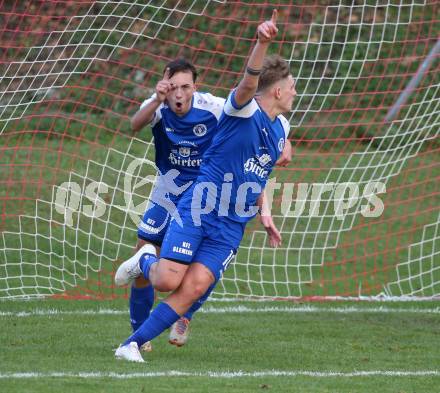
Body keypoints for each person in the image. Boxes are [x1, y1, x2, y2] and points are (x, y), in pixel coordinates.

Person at [114, 9, 296, 362]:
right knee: (168, 281)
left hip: (232, 224)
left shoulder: (282, 128)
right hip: (201, 205)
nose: (294, 92)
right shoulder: (242, 110)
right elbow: (246, 83)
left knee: (195, 287)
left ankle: (130, 345)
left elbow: (258, 173)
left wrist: (266, 211)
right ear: (276, 89)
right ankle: (145, 259)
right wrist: (260, 43)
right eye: (291, 87)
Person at [127, 58, 225, 350]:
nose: (179, 95)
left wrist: (284, 139)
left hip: (205, 192)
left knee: (201, 262)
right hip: (168, 187)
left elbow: (254, 116)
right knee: (144, 248)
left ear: (195, 86)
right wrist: (156, 100)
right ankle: (140, 333)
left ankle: (186, 315)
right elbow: (134, 125)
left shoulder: (215, 107)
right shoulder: (158, 104)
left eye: (185, 87)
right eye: (173, 88)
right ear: (164, 85)